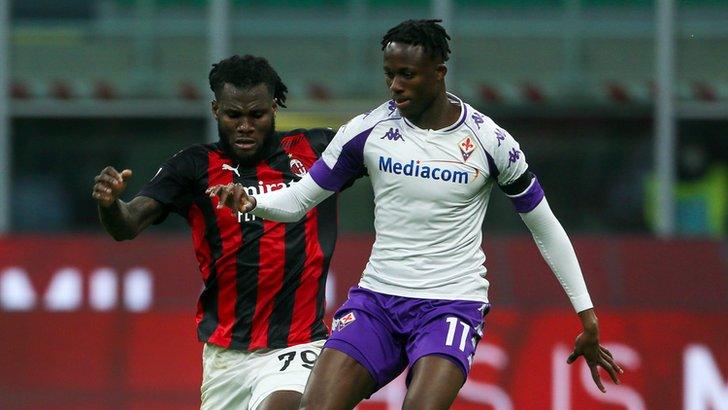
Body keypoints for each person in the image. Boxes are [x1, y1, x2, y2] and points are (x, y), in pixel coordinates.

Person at [209, 20, 623, 409]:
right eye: (390, 73)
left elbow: (545, 227)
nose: (395, 85)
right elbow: (300, 199)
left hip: (451, 304)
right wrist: (252, 201)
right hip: (378, 301)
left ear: (439, 73)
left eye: (407, 74)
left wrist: (586, 315)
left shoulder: (489, 141)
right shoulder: (366, 131)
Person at [92, 55, 357, 410]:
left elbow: (389, 157)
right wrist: (110, 205)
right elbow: (127, 225)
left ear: (274, 108)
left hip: (298, 344)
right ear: (216, 110)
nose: (245, 125)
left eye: (257, 115)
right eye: (234, 115)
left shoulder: (317, 150)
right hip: (225, 357)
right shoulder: (192, 166)